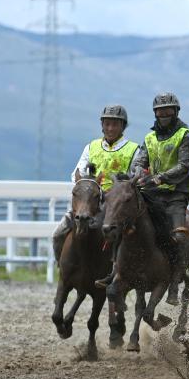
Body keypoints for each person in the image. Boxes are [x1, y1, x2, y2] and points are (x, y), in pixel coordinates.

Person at [131, 92, 189, 303]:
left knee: (179, 236)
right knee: (125, 222)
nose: (164, 115)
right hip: (152, 192)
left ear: (176, 111)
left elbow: (184, 166)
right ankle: (118, 270)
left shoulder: (186, 135)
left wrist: (159, 178)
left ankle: (174, 283)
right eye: (160, 111)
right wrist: (137, 173)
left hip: (176, 193)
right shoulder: (149, 137)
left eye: (168, 110)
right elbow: (140, 161)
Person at [52, 104, 139, 263]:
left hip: (116, 205)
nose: (110, 128)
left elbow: (134, 180)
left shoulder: (134, 149)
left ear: (123, 126)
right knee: (58, 234)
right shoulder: (91, 147)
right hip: (88, 201)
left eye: (115, 124)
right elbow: (76, 174)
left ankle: (118, 268)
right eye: (107, 124)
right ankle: (63, 267)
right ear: (102, 125)